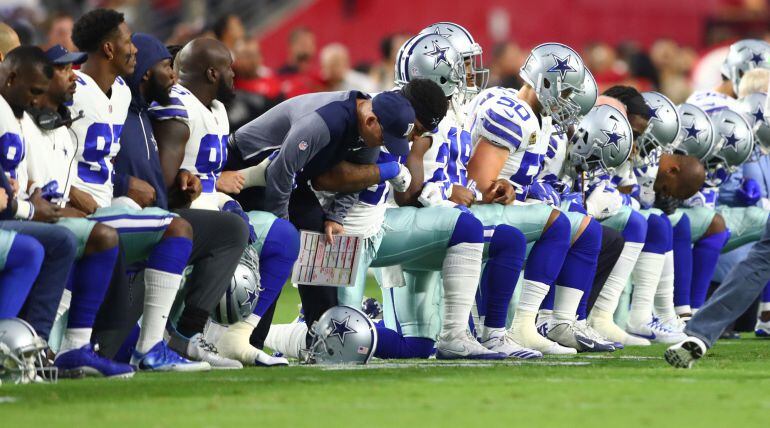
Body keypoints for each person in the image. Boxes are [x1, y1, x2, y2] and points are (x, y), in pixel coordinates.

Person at [228, 77, 446, 337]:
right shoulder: (324, 121)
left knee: (321, 242)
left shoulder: (374, 123)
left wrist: (336, 216)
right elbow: (279, 170)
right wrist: (281, 225)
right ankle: (250, 339)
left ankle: (324, 338)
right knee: (278, 245)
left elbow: (359, 174)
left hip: (292, 178)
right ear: (370, 122)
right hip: (246, 167)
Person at [145, 36, 299, 367]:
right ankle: (183, 332)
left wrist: (250, 177)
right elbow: (163, 182)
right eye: (229, 67)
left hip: (212, 209)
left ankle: (235, 338)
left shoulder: (215, 109)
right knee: (233, 236)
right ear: (213, 73)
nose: (235, 73)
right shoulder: (175, 106)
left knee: (281, 237)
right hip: (180, 216)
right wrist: (217, 189)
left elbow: (209, 173)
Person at [67, 8, 206, 372]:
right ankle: (150, 347)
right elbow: (46, 146)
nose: (134, 49)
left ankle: (143, 340)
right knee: (177, 228)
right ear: (109, 49)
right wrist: (67, 191)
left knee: (164, 220)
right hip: (76, 211)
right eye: (128, 42)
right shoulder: (73, 92)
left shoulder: (122, 96)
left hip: (104, 209)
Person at [14, 44, 134, 378]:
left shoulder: (65, 134)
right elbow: (32, 198)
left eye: (74, 69)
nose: (73, 77)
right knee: (98, 234)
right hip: (22, 219)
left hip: (49, 222)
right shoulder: (21, 125)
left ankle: (74, 346)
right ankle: (68, 346)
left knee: (91, 232)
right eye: (65, 71)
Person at [0, 45, 80, 351]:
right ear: (12, 78)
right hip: (11, 216)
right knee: (44, 246)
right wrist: (28, 207)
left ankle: (32, 345)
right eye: (33, 90)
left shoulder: (16, 115)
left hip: (13, 212)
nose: (36, 100)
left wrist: (20, 194)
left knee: (53, 242)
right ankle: (23, 346)